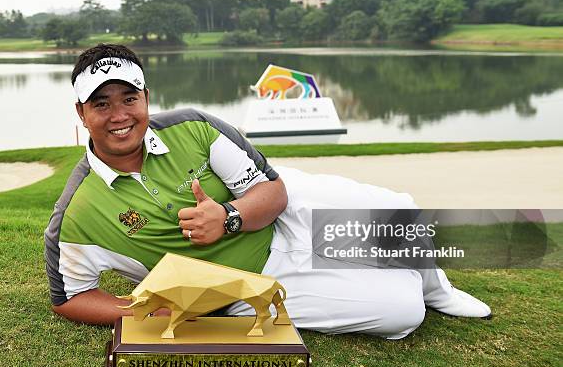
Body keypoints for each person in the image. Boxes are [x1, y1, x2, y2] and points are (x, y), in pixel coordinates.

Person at [45, 44, 491, 339]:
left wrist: (228, 217)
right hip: (236, 290)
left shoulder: (194, 125)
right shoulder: (79, 210)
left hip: (282, 210)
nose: (118, 114)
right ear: (81, 112)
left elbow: (272, 193)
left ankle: (438, 289)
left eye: (129, 98)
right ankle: (406, 284)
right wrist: (138, 312)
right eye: (101, 103)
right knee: (402, 313)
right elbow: (70, 298)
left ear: (147, 97)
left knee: (398, 214)